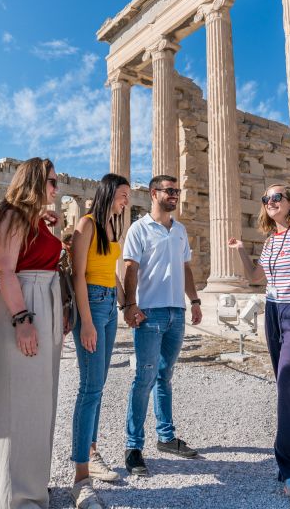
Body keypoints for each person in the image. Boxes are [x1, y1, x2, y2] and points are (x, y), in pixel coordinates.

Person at [228, 184, 290, 497]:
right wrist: (242, 250)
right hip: (273, 313)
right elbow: (256, 278)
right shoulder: (271, 241)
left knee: (288, 384)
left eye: (277, 197)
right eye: (266, 198)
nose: (270, 202)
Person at [0, 157, 65, 509]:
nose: (56, 188)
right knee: (18, 400)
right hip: (25, 305)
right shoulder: (12, 216)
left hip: (42, 302)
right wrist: (22, 319)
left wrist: (53, 227)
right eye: (50, 181)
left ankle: (33, 487)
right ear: (33, 181)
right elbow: (5, 270)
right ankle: (13, 498)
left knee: (40, 399)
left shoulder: (35, 220)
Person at [120, 174, 203, 477]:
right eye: (170, 191)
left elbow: (185, 268)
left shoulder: (179, 230)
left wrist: (194, 300)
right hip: (150, 313)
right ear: (154, 193)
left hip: (176, 313)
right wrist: (130, 305)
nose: (175, 196)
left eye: (177, 191)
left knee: (165, 377)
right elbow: (131, 269)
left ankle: (166, 437)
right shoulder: (139, 229)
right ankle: (133, 446)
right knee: (143, 378)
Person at [67, 173, 130, 507]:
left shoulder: (112, 228)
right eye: (122, 194)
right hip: (90, 304)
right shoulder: (87, 224)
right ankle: (81, 476)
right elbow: (78, 275)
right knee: (89, 388)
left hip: (108, 304)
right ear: (108, 193)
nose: (126, 201)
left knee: (98, 385)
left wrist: (127, 305)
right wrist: (86, 323)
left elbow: (111, 274)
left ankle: (91, 453)